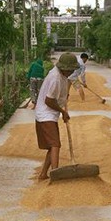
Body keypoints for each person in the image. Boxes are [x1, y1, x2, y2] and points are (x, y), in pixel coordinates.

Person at [34, 52, 80, 180]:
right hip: (45, 114)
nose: (71, 72)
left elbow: (61, 93)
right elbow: (49, 100)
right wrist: (63, 111)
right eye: (70, 70)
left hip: (49, 114)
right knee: (55, 144)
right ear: (64, 68)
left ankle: (44, 174)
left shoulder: (61, 75)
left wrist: (64, 101)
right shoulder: (55, 77)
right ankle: (55, 173)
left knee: (52, 146)